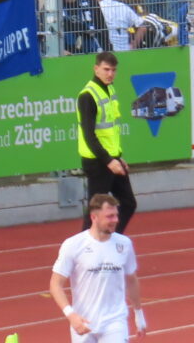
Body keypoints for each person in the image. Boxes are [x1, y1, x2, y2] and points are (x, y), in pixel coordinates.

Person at [50, 194, 145, 341]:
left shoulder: (124, 244)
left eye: (116, 215)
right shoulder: (73, 245)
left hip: (114, 322)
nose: (116, 220)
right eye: (110, 216)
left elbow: (131, 280)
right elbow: (55, 284)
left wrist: (139, 314)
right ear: (94, 217)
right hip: (83, 322)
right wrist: (71, 315)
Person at [77, 51, 138, 234]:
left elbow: (110, 130)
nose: (110, 74)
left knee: (128, 203)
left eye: (113, 70)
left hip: (112, 158)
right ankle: (85, 247)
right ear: (96, 69)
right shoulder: (87, 96)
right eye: (106, 69)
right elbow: (89, 136)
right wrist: (109, 161)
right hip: (98, 162)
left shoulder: (110, 90)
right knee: (95, 212)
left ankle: (110, 240)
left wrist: (118, 156)